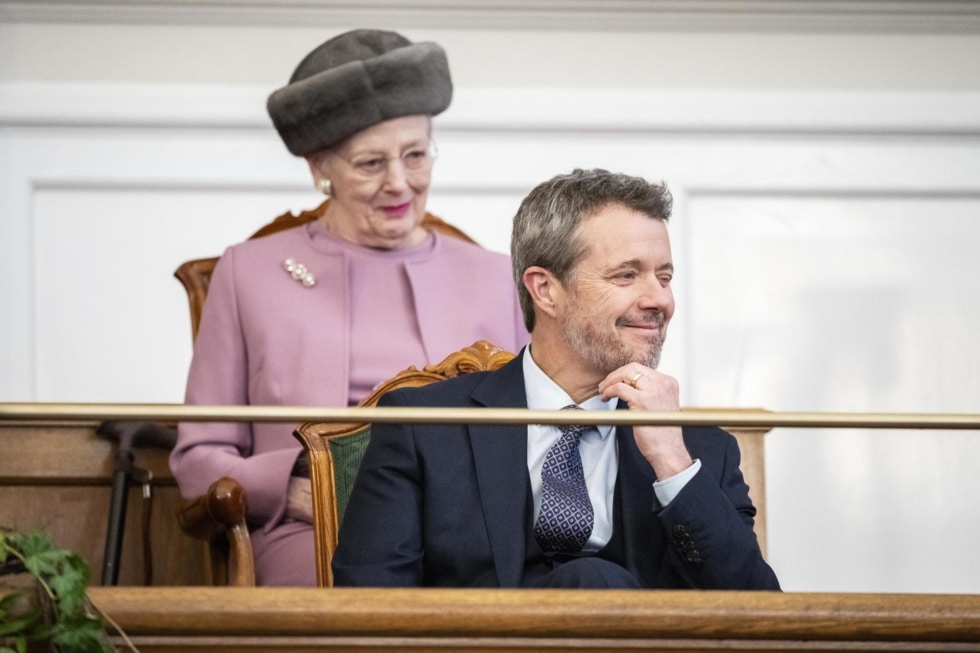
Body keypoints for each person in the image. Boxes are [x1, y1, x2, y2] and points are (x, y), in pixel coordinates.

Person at [169, 29, 529, 587]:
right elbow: (199, 456)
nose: (399, 183)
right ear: (319, 167)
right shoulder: (248, 273)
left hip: (472, 539)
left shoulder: (494, 276)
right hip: (315, 534)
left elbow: (546, 432)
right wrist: (285, 486)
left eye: (415, 155)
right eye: (369, 163)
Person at [333, 168, 779, 590]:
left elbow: (758, 618)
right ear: (545, 289)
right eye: (627, 275)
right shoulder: (425, 426)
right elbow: (369, 606)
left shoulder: (701, 452)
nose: (659, 299)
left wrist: (673, 465)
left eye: (664, 277)